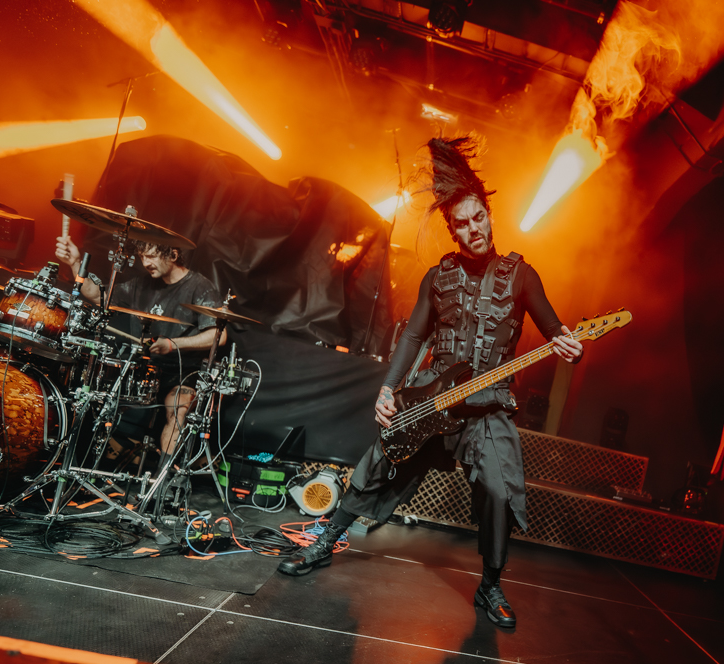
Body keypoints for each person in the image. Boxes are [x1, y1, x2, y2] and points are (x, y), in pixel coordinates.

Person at [277, 136, 583, 630]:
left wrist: (569, 344)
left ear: (488, 215)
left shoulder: (522, 276)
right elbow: (414, 335)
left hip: (486, 406)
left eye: (478, 218)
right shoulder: (437, 277)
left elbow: (555, 329)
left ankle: (490, 585)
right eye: (462, 223)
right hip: (431, 399)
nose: (473, 229)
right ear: (452, 228)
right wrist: (388, 389)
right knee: (378, 461)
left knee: (499, 488)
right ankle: (325, 541)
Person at [55, 233, 226, 455]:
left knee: (179, 410)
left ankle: (163, 474)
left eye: (151, 256)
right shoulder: (142, 284)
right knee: (93, 397)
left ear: (173, 255)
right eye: (143, 256)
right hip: (143, 367)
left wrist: (172, 344)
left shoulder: (199, 286)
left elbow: (218, 336)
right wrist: (75, 262)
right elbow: (98, 296)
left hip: (181, 371)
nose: (145, 263)